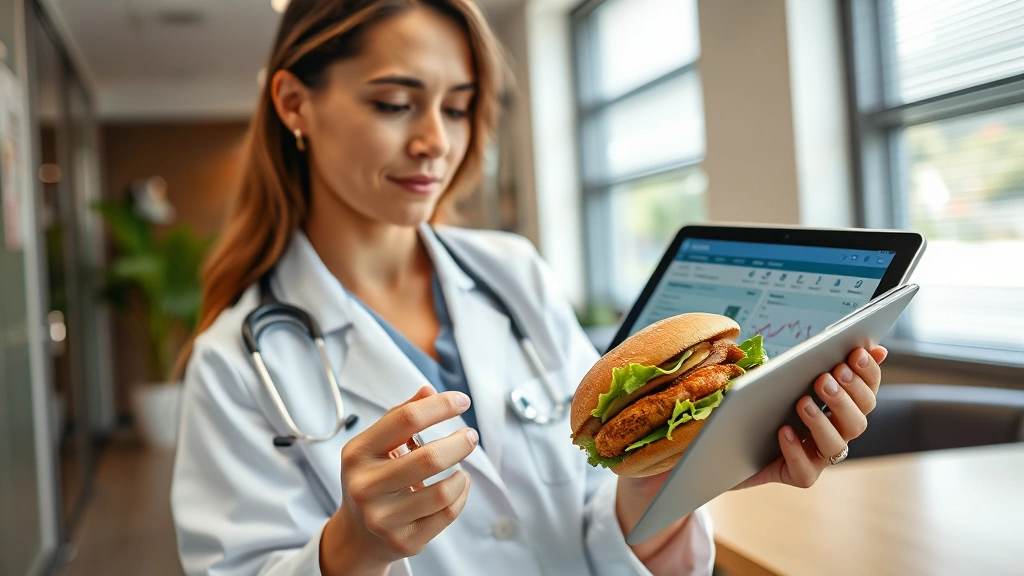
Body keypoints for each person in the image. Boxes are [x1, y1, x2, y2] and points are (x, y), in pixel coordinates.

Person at [170, 1, 888, 575]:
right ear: (295, 104)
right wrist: (349, 552)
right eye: (394, 103)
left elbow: (595, 519)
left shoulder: (512, 272)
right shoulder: (235, 362)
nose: (436, 142)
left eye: (456, 107)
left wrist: (673, 477)